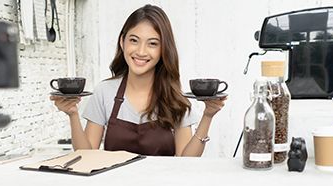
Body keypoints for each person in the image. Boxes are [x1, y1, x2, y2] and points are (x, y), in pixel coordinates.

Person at [50, 4, 226, 157]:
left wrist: (207, 116)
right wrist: (72, 114)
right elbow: (87, 156)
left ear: (163, 49)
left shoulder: (173, 97)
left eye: (152, 43)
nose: (141, 51)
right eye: (134, 40)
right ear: (122, 42)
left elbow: (185, 160)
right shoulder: (105, 92)